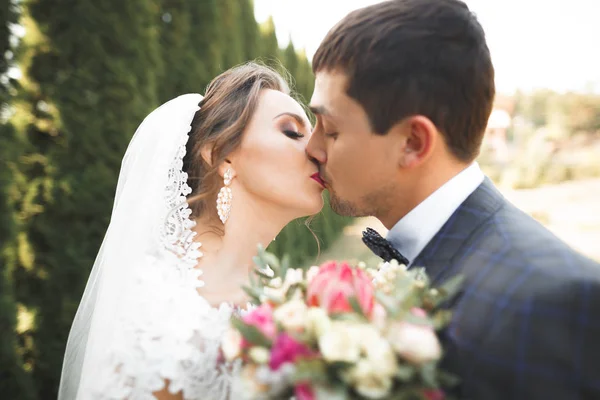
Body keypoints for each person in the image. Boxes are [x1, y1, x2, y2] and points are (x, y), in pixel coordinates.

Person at [306, 1, 600, 398]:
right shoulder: (420, 257)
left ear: (412, 143)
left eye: (331, 130)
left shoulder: (550, 300)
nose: (313, 147)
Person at [58, 62, 324, 400]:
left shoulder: (277, 292)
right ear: (221, 155)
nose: (317, 150)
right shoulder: (165, 311)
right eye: (291, 132)